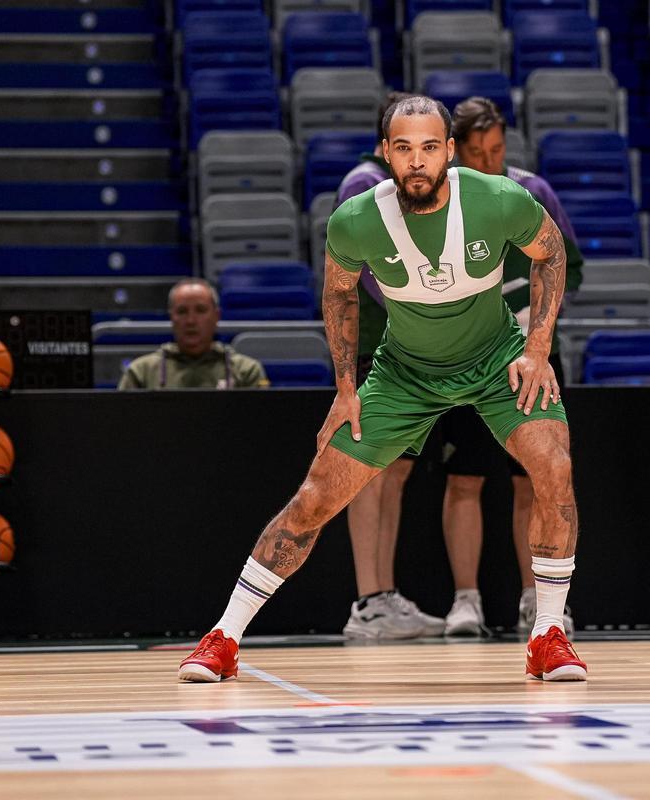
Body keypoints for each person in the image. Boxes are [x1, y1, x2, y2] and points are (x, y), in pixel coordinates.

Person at [178, 95, 587, 682]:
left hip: (498, 360)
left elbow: (551, 255)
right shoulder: (355, 218)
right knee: (316, 495)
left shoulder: (499, 200)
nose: (416, 161)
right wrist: (346, 389)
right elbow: (339, 294)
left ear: (449, 150)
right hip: (404, 372)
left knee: (553, 468)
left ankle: (548, 634)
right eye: (403, 148)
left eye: (428, 147)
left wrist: (537, 349)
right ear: (386, 153)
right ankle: (223, 637)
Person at [439, 97, 584, 637]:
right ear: (457, 152)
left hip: (532, 356)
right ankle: (466, 601)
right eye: (476, 153)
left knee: (539, 479)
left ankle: (538, 601)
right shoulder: (440, 198)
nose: (488, 162)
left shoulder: (533, 191)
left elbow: (571, 264)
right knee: (464, 480)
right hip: (461, 357)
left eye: (496, 151)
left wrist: (536, 327)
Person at [338, 91, 444, 640]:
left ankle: (386, 594)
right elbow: (364, 273)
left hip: (410, 353)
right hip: (372, 349)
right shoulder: (362, 185)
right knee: (368, 474)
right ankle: (367, 600)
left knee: (395, 474)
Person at [118, 278, 270, 390]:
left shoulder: (246, 370)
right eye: (182, 312)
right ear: (172, 317)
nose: (191, 321)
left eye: (201, 310)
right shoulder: (141, 372)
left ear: (216, 316)